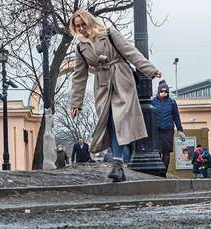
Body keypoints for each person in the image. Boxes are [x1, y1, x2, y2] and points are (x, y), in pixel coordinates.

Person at [69, 9, 162, 183]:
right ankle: (119, 165)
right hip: (102, 84)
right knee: (109, 122)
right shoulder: (80, 47)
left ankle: (117, 165)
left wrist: (150, 69)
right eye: (78, 26)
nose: (81, 28)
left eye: (83, 24)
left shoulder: (109, 33)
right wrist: (76, 103)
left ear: (89, 21)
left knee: (118, 119)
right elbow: (79, 76)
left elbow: (130, 51)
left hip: (121, 78)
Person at [152, 80, 186, 176]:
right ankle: (157, 172)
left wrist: (180, 130)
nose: (164, 93)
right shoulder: (153, 101)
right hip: (157, 130)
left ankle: (163, 172)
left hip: (168, 130)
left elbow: (176, 117)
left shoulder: (172, 102)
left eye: (166, 92)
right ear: (158, 92)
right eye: (162, 91)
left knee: (166, 152)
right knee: (157, 152)